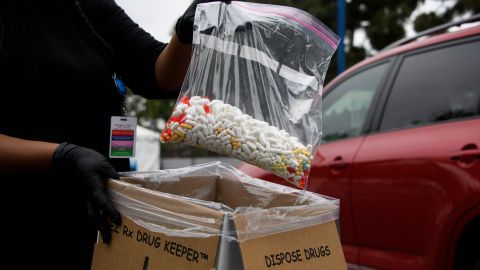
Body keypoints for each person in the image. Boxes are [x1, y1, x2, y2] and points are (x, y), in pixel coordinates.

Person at [0, 0, 229, 269]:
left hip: (103, 217)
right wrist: (62, 155)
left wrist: (186, 32)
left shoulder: (87, 7)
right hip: (22, 224)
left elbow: (159, 75)